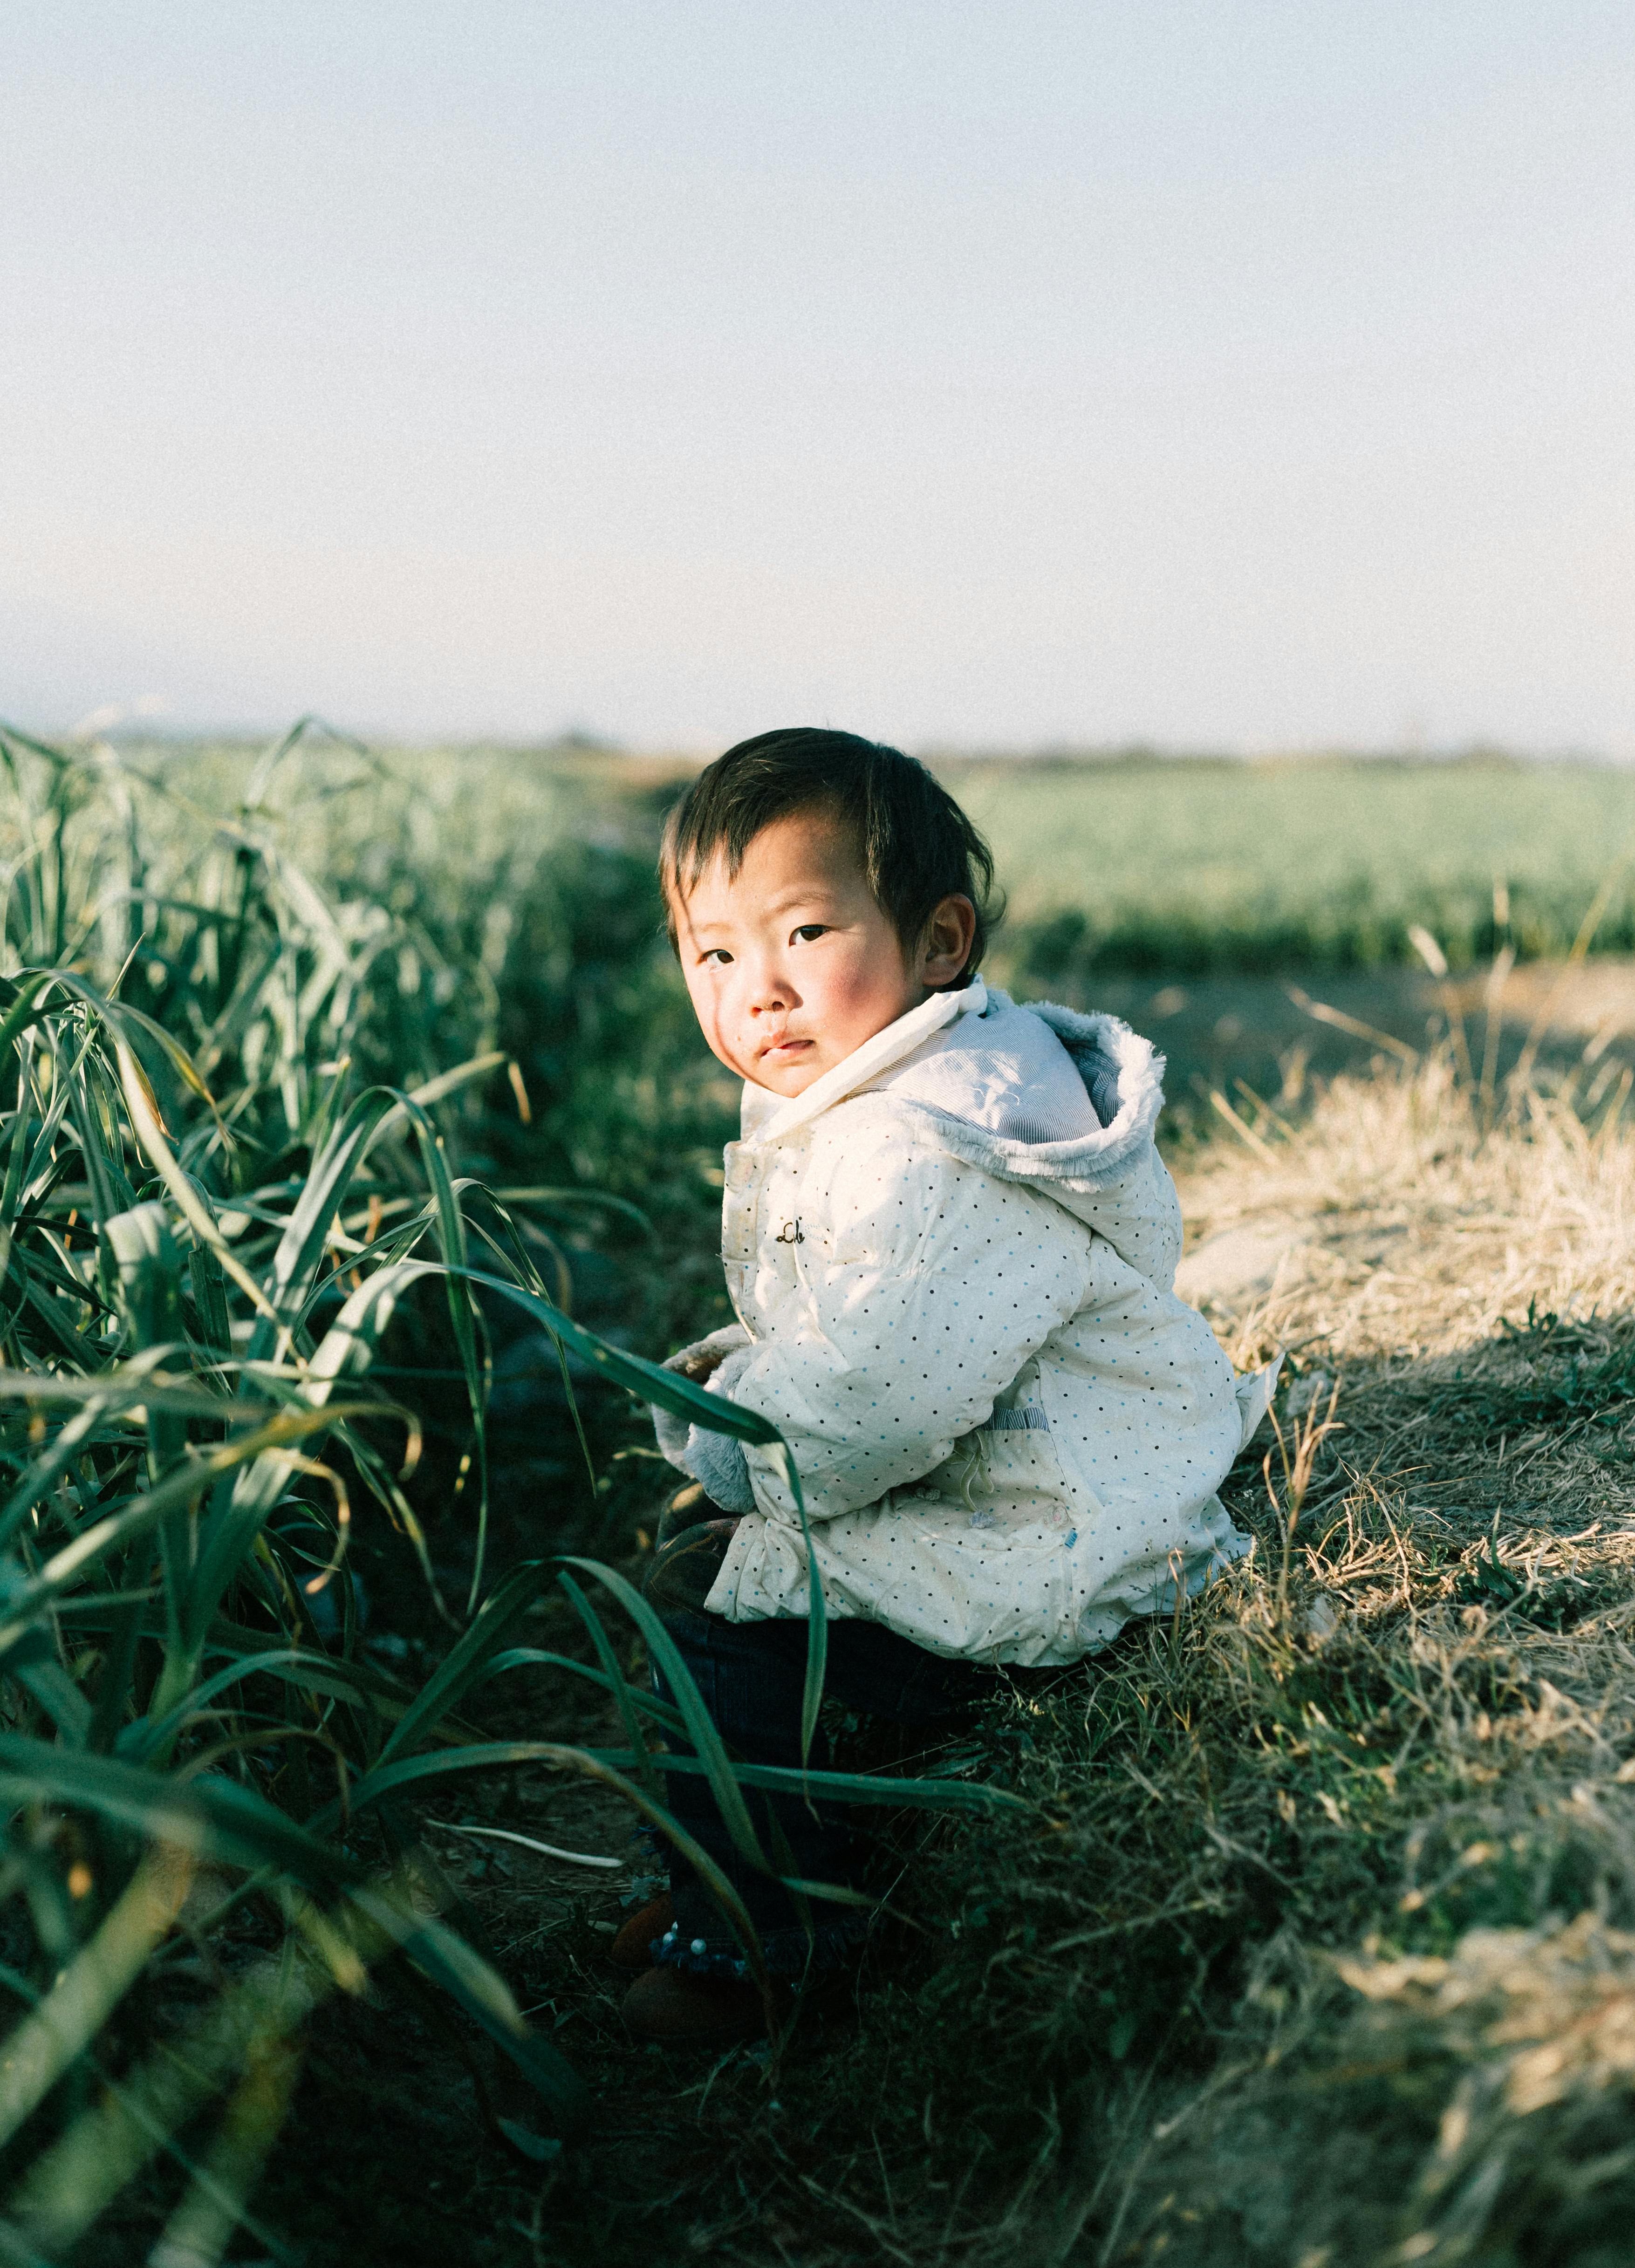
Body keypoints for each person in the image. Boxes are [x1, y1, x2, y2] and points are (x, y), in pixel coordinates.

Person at [616, 727, 1272, 2044]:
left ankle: (759, 1942)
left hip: (1044, 1531)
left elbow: (880, 1401)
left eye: (805, 932)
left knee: (732, 1655)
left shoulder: (932, 1147)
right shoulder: (895, 1085)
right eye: (717, 951)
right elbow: (858, 1329)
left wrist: (733, 1436)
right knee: (713, 1583)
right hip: (1004, 1479)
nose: (762, 989)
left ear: (937, 940)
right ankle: (713, 1870)